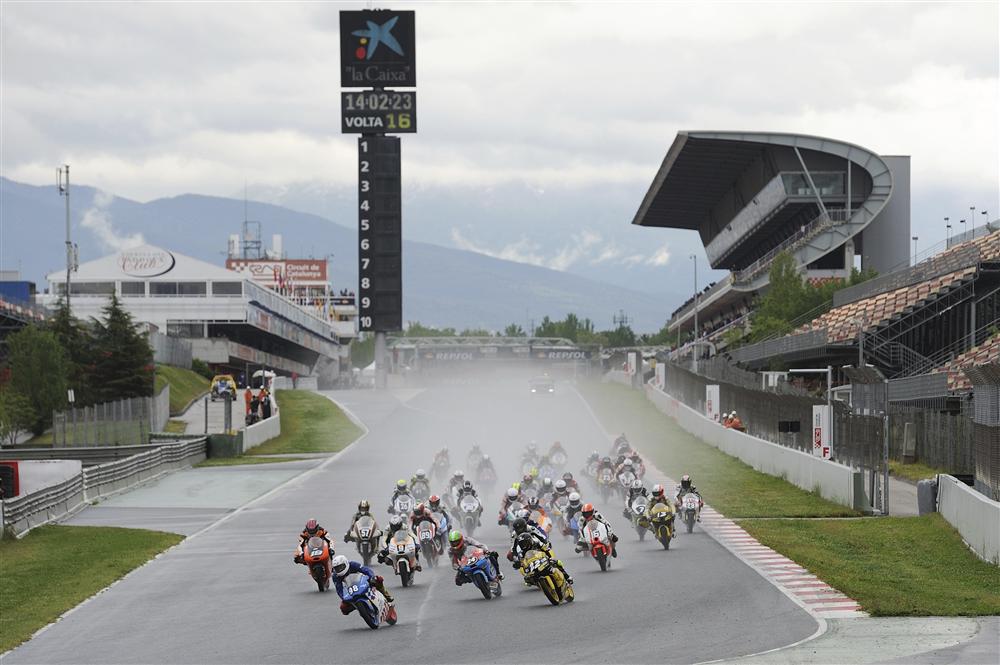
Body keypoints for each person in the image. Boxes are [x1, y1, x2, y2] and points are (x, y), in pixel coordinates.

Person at [506, 519, 573, 584]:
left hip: (535, 544)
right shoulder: (514, 535)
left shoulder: (531, 528)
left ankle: (566, 575)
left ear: (525, 526)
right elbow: (514, 547)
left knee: (552, 559)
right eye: (518, 529)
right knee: (516, 559)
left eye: (521, 528)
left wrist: (546, 543)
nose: (520, 530)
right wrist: (516, 558)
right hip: (523, 548)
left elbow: (541, 536)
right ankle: (529, 574)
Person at [331, 554, 395, 612]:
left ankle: (386, 595)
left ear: (346, 563)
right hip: (350, 590)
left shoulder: (353, 564)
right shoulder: (335, 576)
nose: (339, 570)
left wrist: (372, 577)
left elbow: (366, 570)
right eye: (337, 569)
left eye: (341, 567)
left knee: (378, 579)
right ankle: (360, 608)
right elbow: (339, 589)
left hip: (362, 582)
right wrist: (344, 597)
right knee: (343, 608)